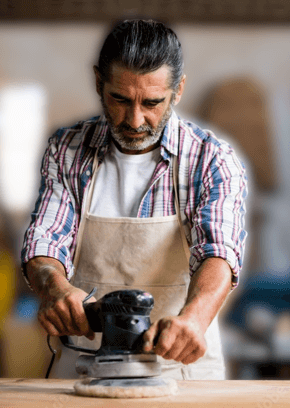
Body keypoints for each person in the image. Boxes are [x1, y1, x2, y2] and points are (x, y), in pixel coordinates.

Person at [21, 19, 247, 380]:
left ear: (178, 90)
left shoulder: (211, 159)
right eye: (120, 99)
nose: (135, 119)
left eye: (152, 102)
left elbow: (218, 251)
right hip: (84, 361)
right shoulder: (67, 150)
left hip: (180, 361)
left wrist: (195, 318)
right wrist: (55, 287)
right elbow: (45, 239)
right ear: (99, 83)